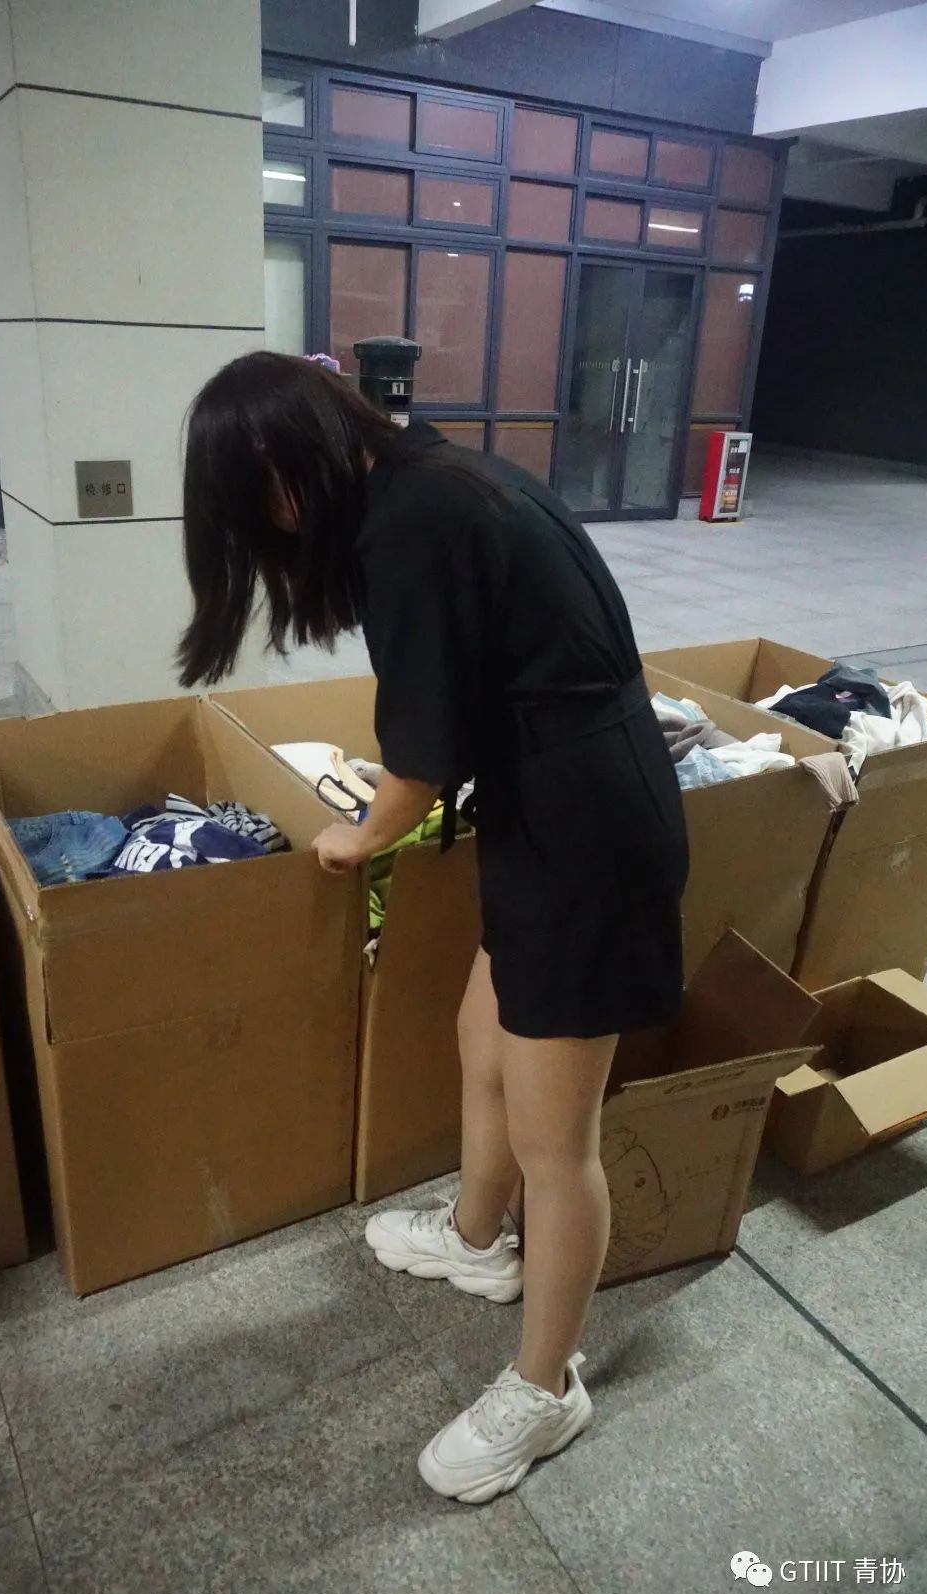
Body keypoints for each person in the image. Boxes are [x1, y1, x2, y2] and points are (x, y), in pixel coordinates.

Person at [178, 352, 688, 1504]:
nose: (269, 536)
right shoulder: (426, 481)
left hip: (588, 835)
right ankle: (475, 1239)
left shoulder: (413, 523)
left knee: (559, 1142)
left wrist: (355, 838)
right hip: (551, 804)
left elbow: (418, 759)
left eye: (254, 509)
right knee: (482, 1035)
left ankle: (547, 1389)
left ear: (283, 467)